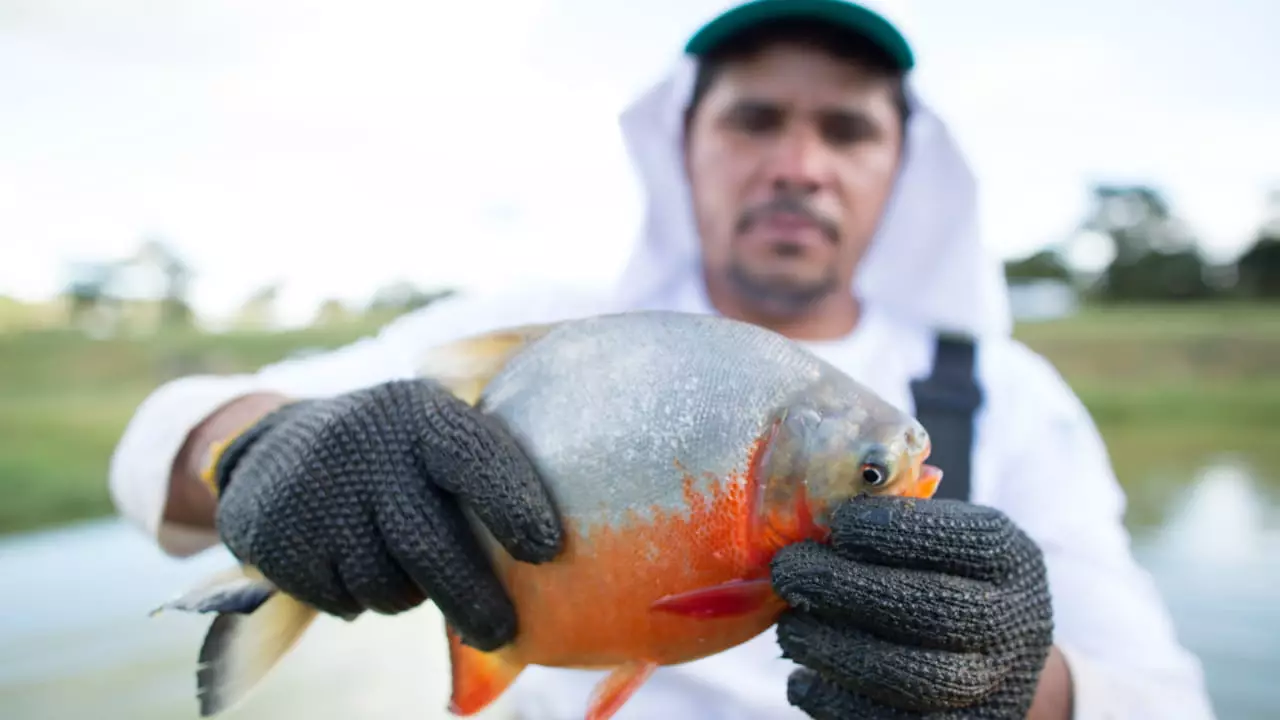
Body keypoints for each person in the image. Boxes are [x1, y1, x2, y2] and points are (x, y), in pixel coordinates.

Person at [108, 1, 1217, 718]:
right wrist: (254, 442)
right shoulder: (558, 330)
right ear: (683, 146)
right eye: (754, 120)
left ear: (899, 168)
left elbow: (1167, 700)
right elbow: (175, 431)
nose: (797, 165)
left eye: (845, 130)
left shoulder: (1004, 398)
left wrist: (1021, 690)